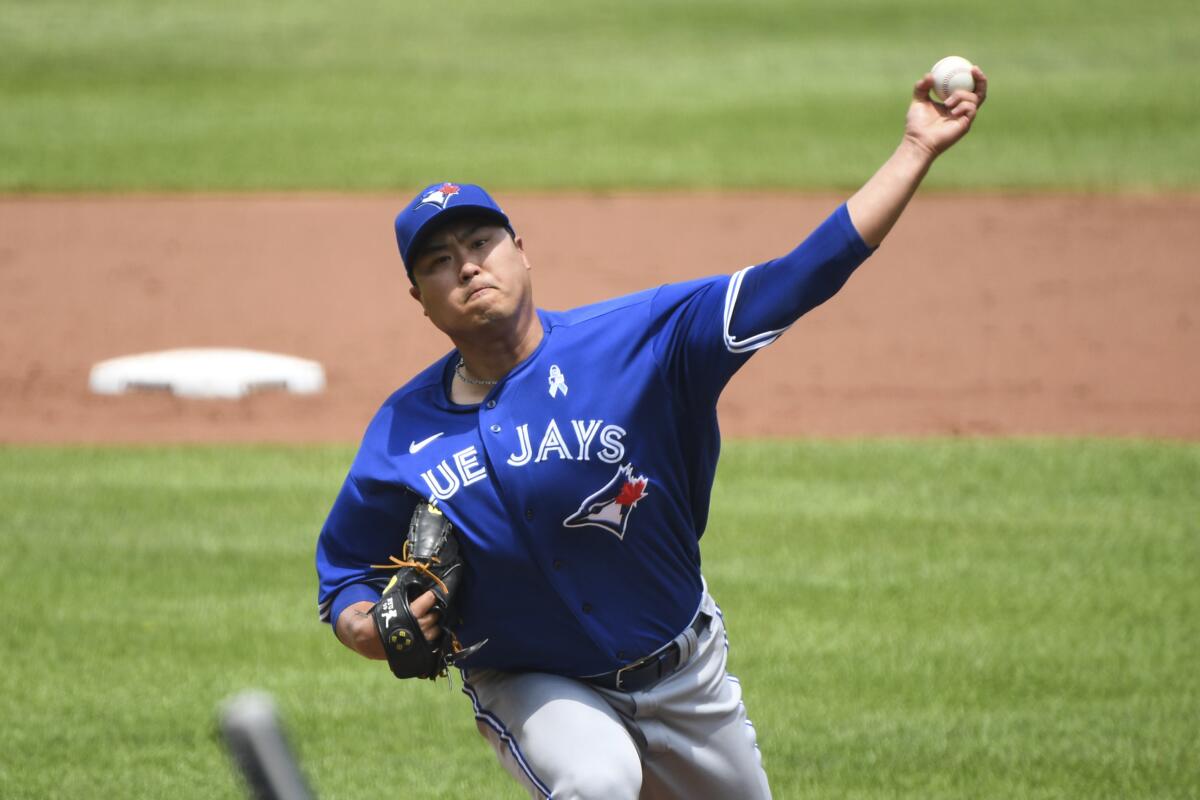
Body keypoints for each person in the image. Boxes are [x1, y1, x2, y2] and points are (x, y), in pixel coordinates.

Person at [315, 68, 987, 799]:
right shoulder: (401, 431)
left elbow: (801, 275)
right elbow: (344, 574)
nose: (467, 266)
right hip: (533, 681)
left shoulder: (645, 339)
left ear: (521, 249)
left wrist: (916, 149)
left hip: (685, 673)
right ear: (420, 299)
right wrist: (367, 629)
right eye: (438, 262)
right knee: (599, 784)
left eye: (480, 242)